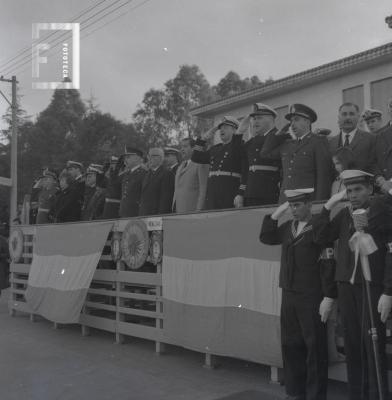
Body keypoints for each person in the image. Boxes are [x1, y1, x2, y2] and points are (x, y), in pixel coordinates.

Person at [313, 170, 392, 400]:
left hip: (371, 285)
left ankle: (377, 396)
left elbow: (390, 252)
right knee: (352, 346)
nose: (353, 195)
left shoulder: (383, 211)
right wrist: (328, 205)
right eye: (349, 191)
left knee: (372, 345)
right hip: (347, 286)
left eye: (358, 189)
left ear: (370, 189)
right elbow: (320, 236)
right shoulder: (344, 214)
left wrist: (389, 290)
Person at [260, 188, 336, 400]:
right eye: (291, 206)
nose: (293, 210)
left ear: (309, 205)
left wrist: (329, 295)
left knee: (314, 348)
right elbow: (265, 237)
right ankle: (295, 392)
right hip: (289, 292)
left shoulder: (318, 228)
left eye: (297, 205)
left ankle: (315, 395)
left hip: (311, 294)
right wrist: (277, 212)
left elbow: (328, 263)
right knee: (291, 343)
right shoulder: (288, 227)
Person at [260, 104, 333, 202]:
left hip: (306, 201)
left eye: (296, 119)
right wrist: (279, 133)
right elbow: (265, 154)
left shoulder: (318, 142)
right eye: (291, 121)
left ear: (307, 121)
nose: (292, 124)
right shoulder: (287, 144)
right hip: (285, 200)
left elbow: (323, 177)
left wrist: (318, 204)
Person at [192, 116, 245, 210]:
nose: (221, 130)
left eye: (226, 127)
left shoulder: (240, 146)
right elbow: (196, 157)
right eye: (221, 128)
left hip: (229, 191)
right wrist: (203, 139)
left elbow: (245, 172)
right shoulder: (215, 148)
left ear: (234, 130)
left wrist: (240, 193)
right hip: (212, 193)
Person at [234, 103, 282, 207]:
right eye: (254, 118)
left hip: (270, 194)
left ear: (271, 119)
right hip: (250, 193)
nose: (255, 121)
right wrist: (239, 133)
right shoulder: (252, 141)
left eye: (259, 118)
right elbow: (239, 159)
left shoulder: (280, 136)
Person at [329, 103, 376, 173]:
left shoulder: (370, 139)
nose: (348, 117)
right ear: (339, 117)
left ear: (358, 117)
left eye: (352, 114)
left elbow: (375, 166)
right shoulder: (331, 142)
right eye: (344, 114)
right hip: (338, 183)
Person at [172, 137, 209, 213]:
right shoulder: (180, 166)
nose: (182, 149)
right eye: (181, 147)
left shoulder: (200, 164)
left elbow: (203, 189)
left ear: (193, 148)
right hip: (178, 211)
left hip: (192, 212)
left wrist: (199, 210)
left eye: (185, 146)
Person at [139, 147, 174, 216]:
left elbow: (165, 199)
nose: (149, 159)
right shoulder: (147, 173)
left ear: (161, 158)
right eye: (149, 156)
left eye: (152, 156)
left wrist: (160, 215)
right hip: (144, 214)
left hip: (156, 216)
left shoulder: (167, 174)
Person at [119, 147, 146, 218]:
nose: (125, 160)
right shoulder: (126, 174)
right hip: (124, 212)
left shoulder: (144, 174)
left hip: (136, 212)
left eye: (128, 157)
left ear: (137, 158)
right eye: (125, 158)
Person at [375, 98, 392, 182]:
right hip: (386, 186)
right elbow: (373, 161)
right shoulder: (378, 135)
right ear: (388, 110)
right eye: (391, 106)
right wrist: (379, 179)